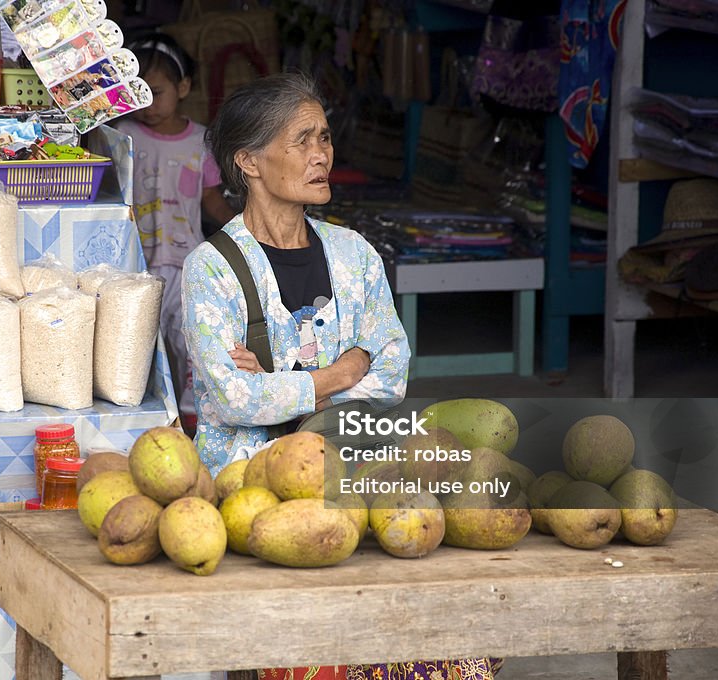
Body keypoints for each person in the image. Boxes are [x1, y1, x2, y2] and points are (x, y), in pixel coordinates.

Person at [180, 72, 501, 680]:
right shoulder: (212, 271)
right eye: (301, 141)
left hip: (356, 472)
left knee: (460, 625)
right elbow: (231, 396)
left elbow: (391, 372)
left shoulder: (355, 254)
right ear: (248, 160)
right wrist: (340, 369)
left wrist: (288, 385)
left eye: (324, 138)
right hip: (252, 493)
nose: (321, 155)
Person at [115, 33, 235, 431]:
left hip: (187, 265)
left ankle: (193, 422)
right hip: (137, 266)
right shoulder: (124, 138)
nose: (148, 103)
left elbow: (211, 200)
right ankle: (147, 425)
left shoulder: (202, 141)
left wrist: (244, 229)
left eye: (158, 91)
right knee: (141, 348)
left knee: (191, 345)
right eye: (140, 93)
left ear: (183, 88)